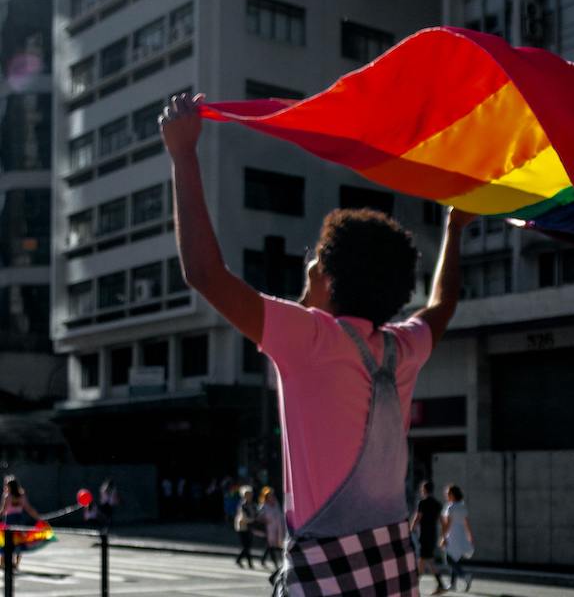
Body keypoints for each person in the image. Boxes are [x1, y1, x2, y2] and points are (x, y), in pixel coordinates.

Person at [160, 93, 474, 597]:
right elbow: (443, 303)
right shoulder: (402, 348)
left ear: (327, 279)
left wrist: (182, 154)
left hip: (326, 578)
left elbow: (203, 273)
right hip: (394, 571)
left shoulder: (309, 339)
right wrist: (454, 230)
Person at [0, 476, 43, 571]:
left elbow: (3, 510)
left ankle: (3, 563)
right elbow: (29, 508)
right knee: (19, 542)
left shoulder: (8, 496)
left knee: (6, 543)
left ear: (9, 486)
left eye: (6, 485)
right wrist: (39, 518)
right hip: (19, 521)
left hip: (9, 522)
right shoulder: (21, 495)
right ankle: (16, 564)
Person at [410, 481, 445, 595]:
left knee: (427, 560)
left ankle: (440, 584)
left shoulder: (422, 503)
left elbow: (417, 518)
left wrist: (410, 530)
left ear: (424, 490)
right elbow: (442, 521)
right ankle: (415, 586)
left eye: (422, 489)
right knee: (422, 560)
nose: (421, 491)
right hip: (433, 535)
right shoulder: (437, 503)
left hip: (424, 535)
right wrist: (443, 536)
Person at [440, 485, 474, 593]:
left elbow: (448, 524)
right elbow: (466, 522)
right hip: (461, 534)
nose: (446, 495)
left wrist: (443, 537)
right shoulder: (462, 505)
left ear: (452, 494)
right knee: (455, 559)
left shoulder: (450, 507)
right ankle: (453, 584)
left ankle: (464, 576)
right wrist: (470, 535)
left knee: (449, 559)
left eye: (448, 493)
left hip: (452, 535)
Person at [257, 487, 286, 580]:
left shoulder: (276, 504)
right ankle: (276, 563)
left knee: (271, 547)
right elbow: (258, 518)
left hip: (278, 530)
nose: (271, 497)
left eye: (272, 495)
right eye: (269, 496)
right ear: (266, 497)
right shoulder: (263, 506)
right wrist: (265, 520)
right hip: (268, 530)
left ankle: (263, 560)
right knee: (271, 546)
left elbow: (281, 515)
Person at [234, 485, 256, 568]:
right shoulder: (242, 505)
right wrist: (252, 520)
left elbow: (255, 514)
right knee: (246, 546)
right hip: (242, 527)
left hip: (249, 527)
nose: (249, 496)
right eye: (247, 494)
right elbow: (243, 517)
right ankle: (248, 563)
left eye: (250, 494)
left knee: (248, 546)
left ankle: (241, 561)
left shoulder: (252, 505)